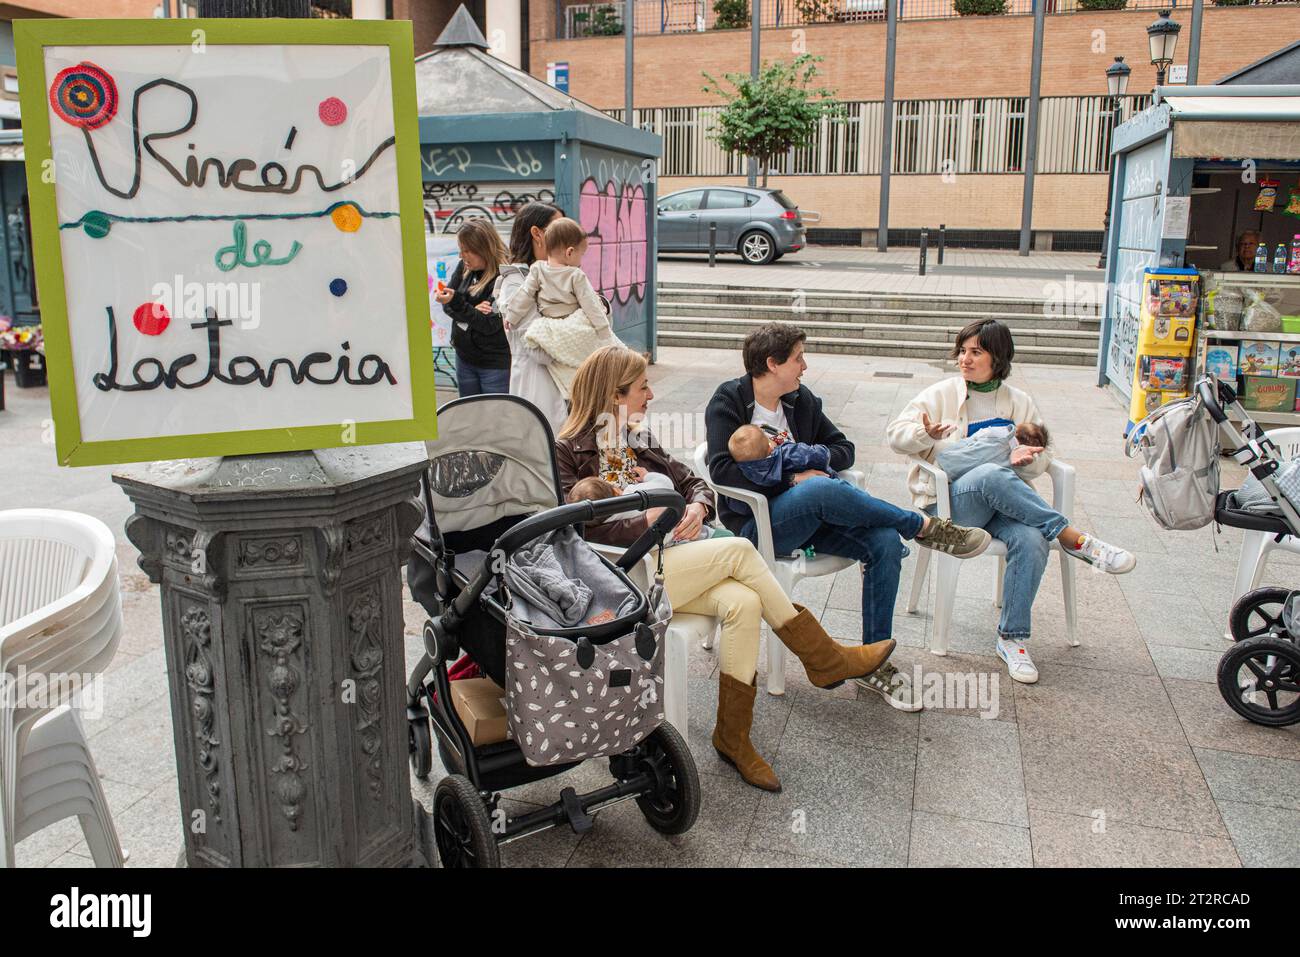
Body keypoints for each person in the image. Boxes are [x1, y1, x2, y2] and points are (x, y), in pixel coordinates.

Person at [556, 346, 896, 793]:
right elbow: (572, 525)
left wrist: (697, 505)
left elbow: (694, 481)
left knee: (744, 600)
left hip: (676, 561)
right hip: (627, 576)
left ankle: (733, 737)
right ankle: (824, 658)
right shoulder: (566, 450)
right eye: (642, 388)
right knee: (738, 551)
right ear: (612, 394)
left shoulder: (637, 437)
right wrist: (645, 520)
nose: (651, 394)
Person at [887, 318, 1137, 685]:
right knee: (992, 465)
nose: (965, 359)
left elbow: (1042, 459)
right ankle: (1072, 538)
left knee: (1032, 538)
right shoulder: (940, 394)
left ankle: (1012, 638)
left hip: (1000, 502)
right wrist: (923, 432)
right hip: (949, 505)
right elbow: (895, 437)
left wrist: (1027, 458)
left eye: (976, 352)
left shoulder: (1019, 402)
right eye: (963, 351)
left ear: (998, 357)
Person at [504, 217, 617, 397]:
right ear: (570, 252)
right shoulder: (576, 275)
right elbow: (591, 305)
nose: (581, 260)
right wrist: (604, 332)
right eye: (582, 254)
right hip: (572, 321)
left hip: (549, 323)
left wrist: (511, 316)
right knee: (594, 356)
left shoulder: (537, 269)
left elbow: (524, 294)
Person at [498, 201, 568, 432]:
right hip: (538, 393)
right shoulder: (514, 283)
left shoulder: (561, 275)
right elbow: (541, 350)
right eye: (558, 230)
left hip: (567, 392)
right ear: (537, 233)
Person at [436, 219, 509, 396]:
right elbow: (448, 305)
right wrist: (472, 309)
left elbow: (490, 325)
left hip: (494, 365)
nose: (461, 256)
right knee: (469, 416)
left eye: (466, 250)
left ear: (483, 249)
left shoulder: (505, 276)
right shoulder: (464, 267)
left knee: (494, 418)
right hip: (464, 358)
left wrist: (460, 303)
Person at [936, 422, 1050, 482]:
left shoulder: (1020, 401)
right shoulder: (947, 392)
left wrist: (1024, 464)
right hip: (952, 470)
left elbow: (1045, 458)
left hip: (957, 470)